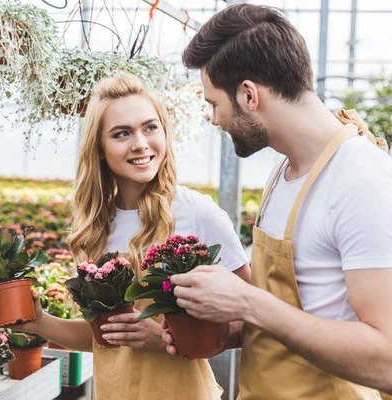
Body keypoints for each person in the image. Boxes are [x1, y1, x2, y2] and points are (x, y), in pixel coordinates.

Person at [163, 4, 392, 399]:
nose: (214, 120)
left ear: (248, 95)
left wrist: (247, 302)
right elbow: (283, 323)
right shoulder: (283, 174)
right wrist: (200, 328)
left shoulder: (363, 181)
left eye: (214, 103)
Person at [13, 73, 250, 399]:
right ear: (99, 148)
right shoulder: (96, 227)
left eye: (150, 127)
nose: (140, 143)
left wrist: (167, 339)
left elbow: (251, 321)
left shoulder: (197, 212)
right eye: (122, 133)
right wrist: (39, 321)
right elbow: (108, 338)